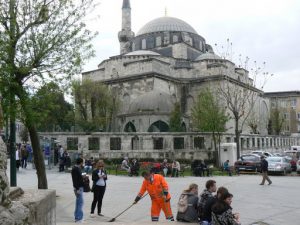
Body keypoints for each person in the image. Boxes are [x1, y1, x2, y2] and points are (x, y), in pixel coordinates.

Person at [71, 158, 85, 223]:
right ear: (81, 162)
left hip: (79, 187)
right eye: (83, 162)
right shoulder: (75, 169)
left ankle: (77, 217)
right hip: (78, 188)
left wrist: (84, 177)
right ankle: (78, 218)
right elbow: (75, 180)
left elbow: (78, 178)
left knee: (79, 203)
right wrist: (76, 189)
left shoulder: (78, 168)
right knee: (80, 203)